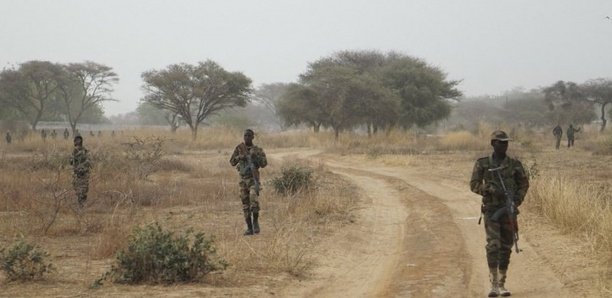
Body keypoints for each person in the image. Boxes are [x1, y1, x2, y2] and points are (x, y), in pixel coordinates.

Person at [470, 130, 530, 297]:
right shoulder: (483, 163)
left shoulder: (514, 164)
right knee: (493, 245)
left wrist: (516, 199)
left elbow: (524, 184)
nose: (504, 145)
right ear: (492, 144)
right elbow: (473, 184)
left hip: (508, 211)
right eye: (500, 142)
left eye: (506, 142)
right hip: (491, 210)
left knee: (506, 246)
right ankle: (494, 284)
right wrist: (489, 189)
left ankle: (502, 283)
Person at [229, 129, 267, 236]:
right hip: (243, 180)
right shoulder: (239, 148)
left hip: (253, 179)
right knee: (245, 204)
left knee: (254, 201)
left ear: (253, 137)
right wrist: (240, 157)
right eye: (245, 135)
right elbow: (232, 162)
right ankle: (249, 228)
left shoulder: (257, 150)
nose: (247, 137)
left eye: (249, 136)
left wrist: (256, 157)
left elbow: (264, 164)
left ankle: (255, 222)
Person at [70, 136, 91, 207]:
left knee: (83, 188)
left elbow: (89, 162)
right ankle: (81, 203)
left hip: (82, 173)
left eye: (77, 141)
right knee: (79, 188)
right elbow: (71, 162)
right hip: (78, 173)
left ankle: (81, 204)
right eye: (76, 141)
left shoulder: (84, 151)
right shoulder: (75, 151)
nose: (77, 142)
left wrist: (81, 168)